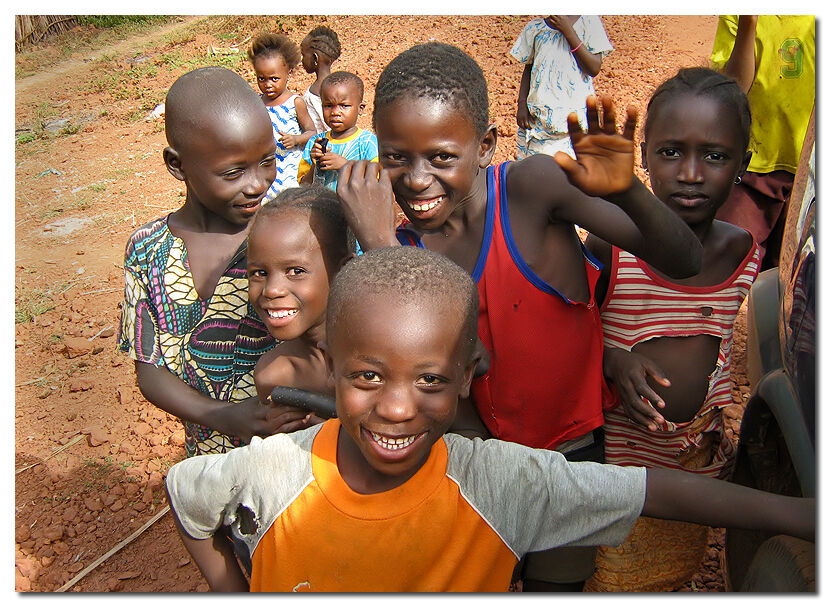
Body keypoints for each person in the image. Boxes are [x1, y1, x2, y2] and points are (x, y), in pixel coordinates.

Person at [165, 246, 814, 592]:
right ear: (331, 368)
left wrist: (804, 516)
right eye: (368, 376)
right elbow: (187, 491)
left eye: (429, 379)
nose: (397, 406)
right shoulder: (277, 472)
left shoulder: (499, 483)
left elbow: (655, 492)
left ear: (465, 376)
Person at [335, 42, 702, 591]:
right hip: (472, 467)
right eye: (395, 158)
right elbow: (448, 359)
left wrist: (629, 192)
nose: (416, 179)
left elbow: (685, 259)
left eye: (441, 157)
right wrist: (380, 244)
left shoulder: (529, 191)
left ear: (485, 145)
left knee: (558, 584)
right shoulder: (399, 247)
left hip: (570, 454)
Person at [583, 67, 761, 592]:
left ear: (743, 164)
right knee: (612, 581)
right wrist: (613, 359)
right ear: (643, 155)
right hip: (616, 468)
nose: (690, 173)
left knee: (668, 576)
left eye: (715, 156)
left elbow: (718, 342)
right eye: (670, 152)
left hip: (691, 464)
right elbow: (571, 334)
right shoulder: (611, 246)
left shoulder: (743, 253)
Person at [118, 66, 282, 457]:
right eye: (233, 172)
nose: (258, 184)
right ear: (178, 165)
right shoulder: (147, 250)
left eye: (267, 161)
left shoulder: (286, 236)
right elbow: (149, 370)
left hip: (295, 456)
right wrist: (222, 416)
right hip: (208, 457)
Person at [710, 15, 815, 269]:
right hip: (751, 168)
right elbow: (734, 89)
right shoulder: (739, 15)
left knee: (789, 272)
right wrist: (749, 23)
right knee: (728, 262)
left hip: (807, 174)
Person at [247, 185, 354, 423]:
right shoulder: (274, 375)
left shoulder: (381, 355)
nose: (271, 290)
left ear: (343, 271)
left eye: (295, 271)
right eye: (259, 273)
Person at [512, 15, 613, 160]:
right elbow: (529, 68)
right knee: (539, 170)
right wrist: (522, 104)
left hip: (577, 128)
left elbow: (593, 68)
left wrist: (568, 31)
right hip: (540, 127)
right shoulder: (535, 28)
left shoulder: (589, 22)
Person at [247, 33, 316, 202]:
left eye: (274, 79)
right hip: (265, 168)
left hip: (290, 167)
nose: (268, 84)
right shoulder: (256, 103)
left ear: (288, 72)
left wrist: (296, 139)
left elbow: (313, 133)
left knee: (290, 204)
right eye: (261, 79)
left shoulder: (295, 103)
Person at [298, 71, 378, 192]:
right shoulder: (316, 143)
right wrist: (315, 165)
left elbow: (377, 183)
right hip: (322, 204)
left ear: (360, 108)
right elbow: (303, 186)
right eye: (328, 105)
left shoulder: (368, 142)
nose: (335, 112)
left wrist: (345, 166)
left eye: (344, 106)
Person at [299, 25, 342, 134]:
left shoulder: (316, 91)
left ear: (315, 58)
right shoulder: (338, 84)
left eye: (303, 55)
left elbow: (329, 126)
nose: (302, 60)